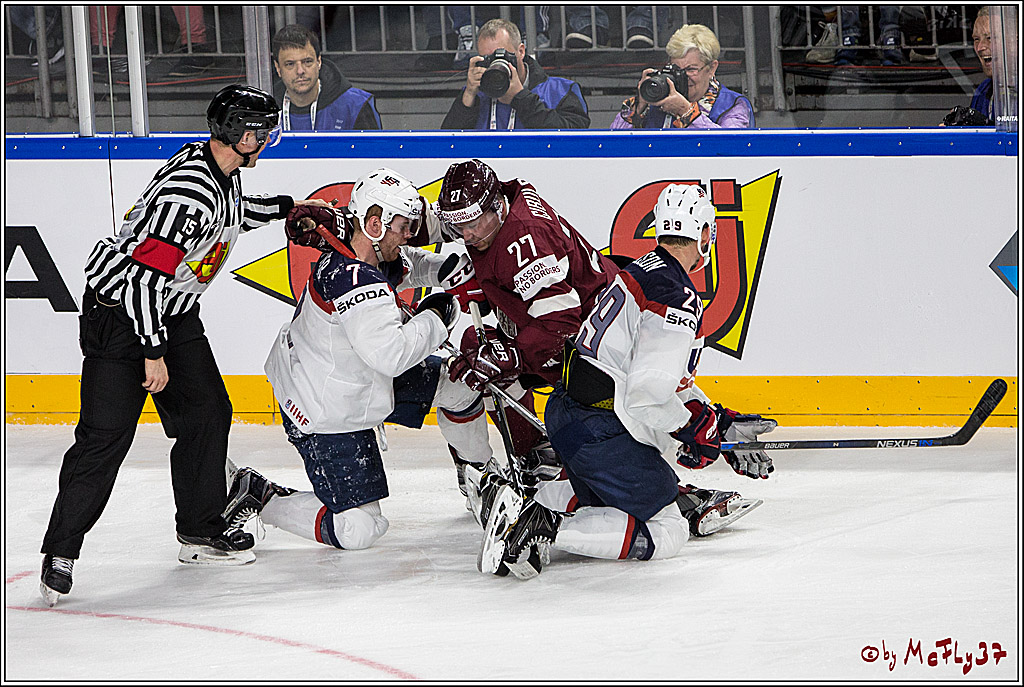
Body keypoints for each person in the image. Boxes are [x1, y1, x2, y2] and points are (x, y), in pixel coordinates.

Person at [37, 85, 329, 606]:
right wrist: (153, 353)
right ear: (241, 134)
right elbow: (145, 281)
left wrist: (288, 209)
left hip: (171, 312)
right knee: (106, 439)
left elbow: (233, 212)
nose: (268, 141)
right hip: (122, 318)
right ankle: (61, 552)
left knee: (208, 413)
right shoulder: (187, 193)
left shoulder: (219, 171)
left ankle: (198, 530)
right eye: (264, 133)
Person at [476, 184, 777, 579]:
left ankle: (529, 505)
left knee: (598, 498)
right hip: (599, 430)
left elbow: (667, 381)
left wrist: (720, 425)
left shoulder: (643, 269)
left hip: (568, 415)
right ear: (705, 234)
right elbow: (648, 397)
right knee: (669, 528)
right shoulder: (676, 294)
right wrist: (702, 430)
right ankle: (545, 530)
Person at [222, 169, 493, 551]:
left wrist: (439, 270)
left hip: (353, 379)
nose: (409, 233)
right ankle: (258, 494)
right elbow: (391, 354)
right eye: (403, 225)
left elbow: (406, 265)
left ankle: (480, 475)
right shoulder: (350, 276)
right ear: (375, 223)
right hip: (323, 408)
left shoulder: (365, 250)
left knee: (459, 385)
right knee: (359, 530)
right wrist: (438, 316)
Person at [435, 159, 619, 469]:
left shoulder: (524, 240)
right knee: (478, 346)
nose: (466, 236)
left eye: (473, 224)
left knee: (491, 359)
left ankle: (550, 454)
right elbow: (435, 223)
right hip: (576, 324)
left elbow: (560, 319)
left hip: (595, 342)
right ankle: (534, 450)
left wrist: (512, 356)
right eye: (459, 226)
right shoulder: (499, 204)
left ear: (497, 207)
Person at [440, 18, 589, 130]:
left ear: (521, 51)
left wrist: (521, 98)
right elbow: (447, 146)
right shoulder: (476, 95)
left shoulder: (562, 90)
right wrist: (468, 96)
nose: (495, 64)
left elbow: (576, 139)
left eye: (501, 55)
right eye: (487, 59)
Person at [611, 23, 754, 130]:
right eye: (676, 69)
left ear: (711, 68)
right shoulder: (657, 99)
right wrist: (640, 104)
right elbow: (610, 146)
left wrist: (686, 112)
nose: (683, 77)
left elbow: (730, 149)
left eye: (691, 69)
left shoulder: (733, 105)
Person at [272, 24, 382, 131]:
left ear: (319, 62)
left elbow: (375, 149)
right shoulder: (265, 111)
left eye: (307, 62)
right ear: (278, 68)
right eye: (290, 64)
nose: (300, 71)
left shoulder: (355, 105)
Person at [942, 7, 994, 126]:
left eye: (989, 38)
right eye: (976, 39)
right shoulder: (983, 89)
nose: (980, 47)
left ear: (1014, 39)